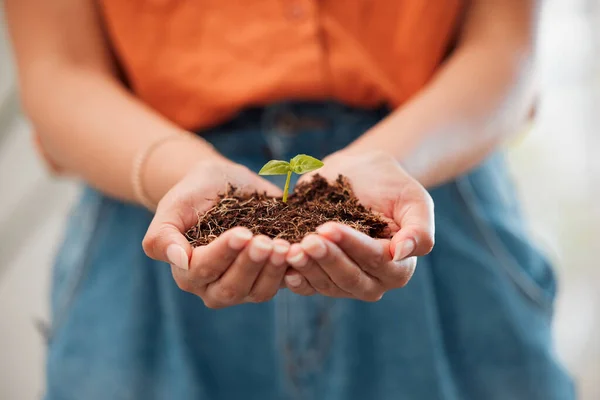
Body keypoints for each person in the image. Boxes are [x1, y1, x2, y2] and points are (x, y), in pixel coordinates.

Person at [6, 0, 574, 399]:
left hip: (427, 190)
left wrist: (389, 163)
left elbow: (506, 52)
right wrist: (184, 172)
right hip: (152, 204)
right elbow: (59, 69)